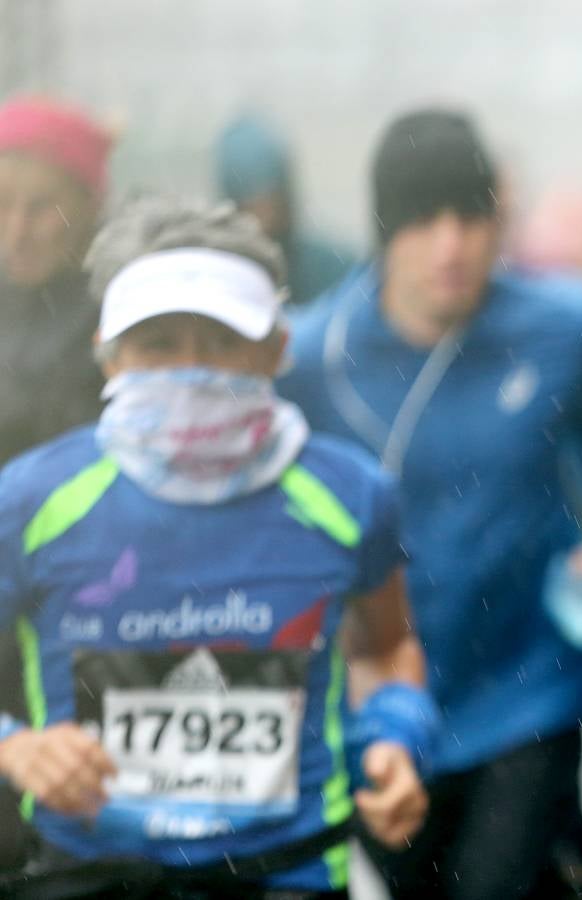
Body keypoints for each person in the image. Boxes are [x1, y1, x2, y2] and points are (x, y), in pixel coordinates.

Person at [0, 198, 433, 899]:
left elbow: (385, 649)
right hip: (87, 877)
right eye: (158, 344)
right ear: (107, 354)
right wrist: (17, 748)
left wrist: (395, 738)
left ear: (276, 349)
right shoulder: (30, 501)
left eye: (222, 341)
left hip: (287, 873)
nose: (191, 371)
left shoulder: (350, 496)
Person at [279, 108, 582, 900]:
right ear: (383, 230)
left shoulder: (560, 325)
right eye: (422, 220)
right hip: (381, 694)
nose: (451, 245)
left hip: (527, 687)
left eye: (470, 217)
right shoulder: (310, 357)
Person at [0, 94, 114, 872]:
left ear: (89, 205)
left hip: (98, 628)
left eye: (42, 207)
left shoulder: (125, 326)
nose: (17, 229)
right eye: (2, 205)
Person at [216, 114, 357, 307]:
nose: (264, 220)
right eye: (251, 207)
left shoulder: (337, 271)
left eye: (272, 202)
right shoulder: (217, 284)